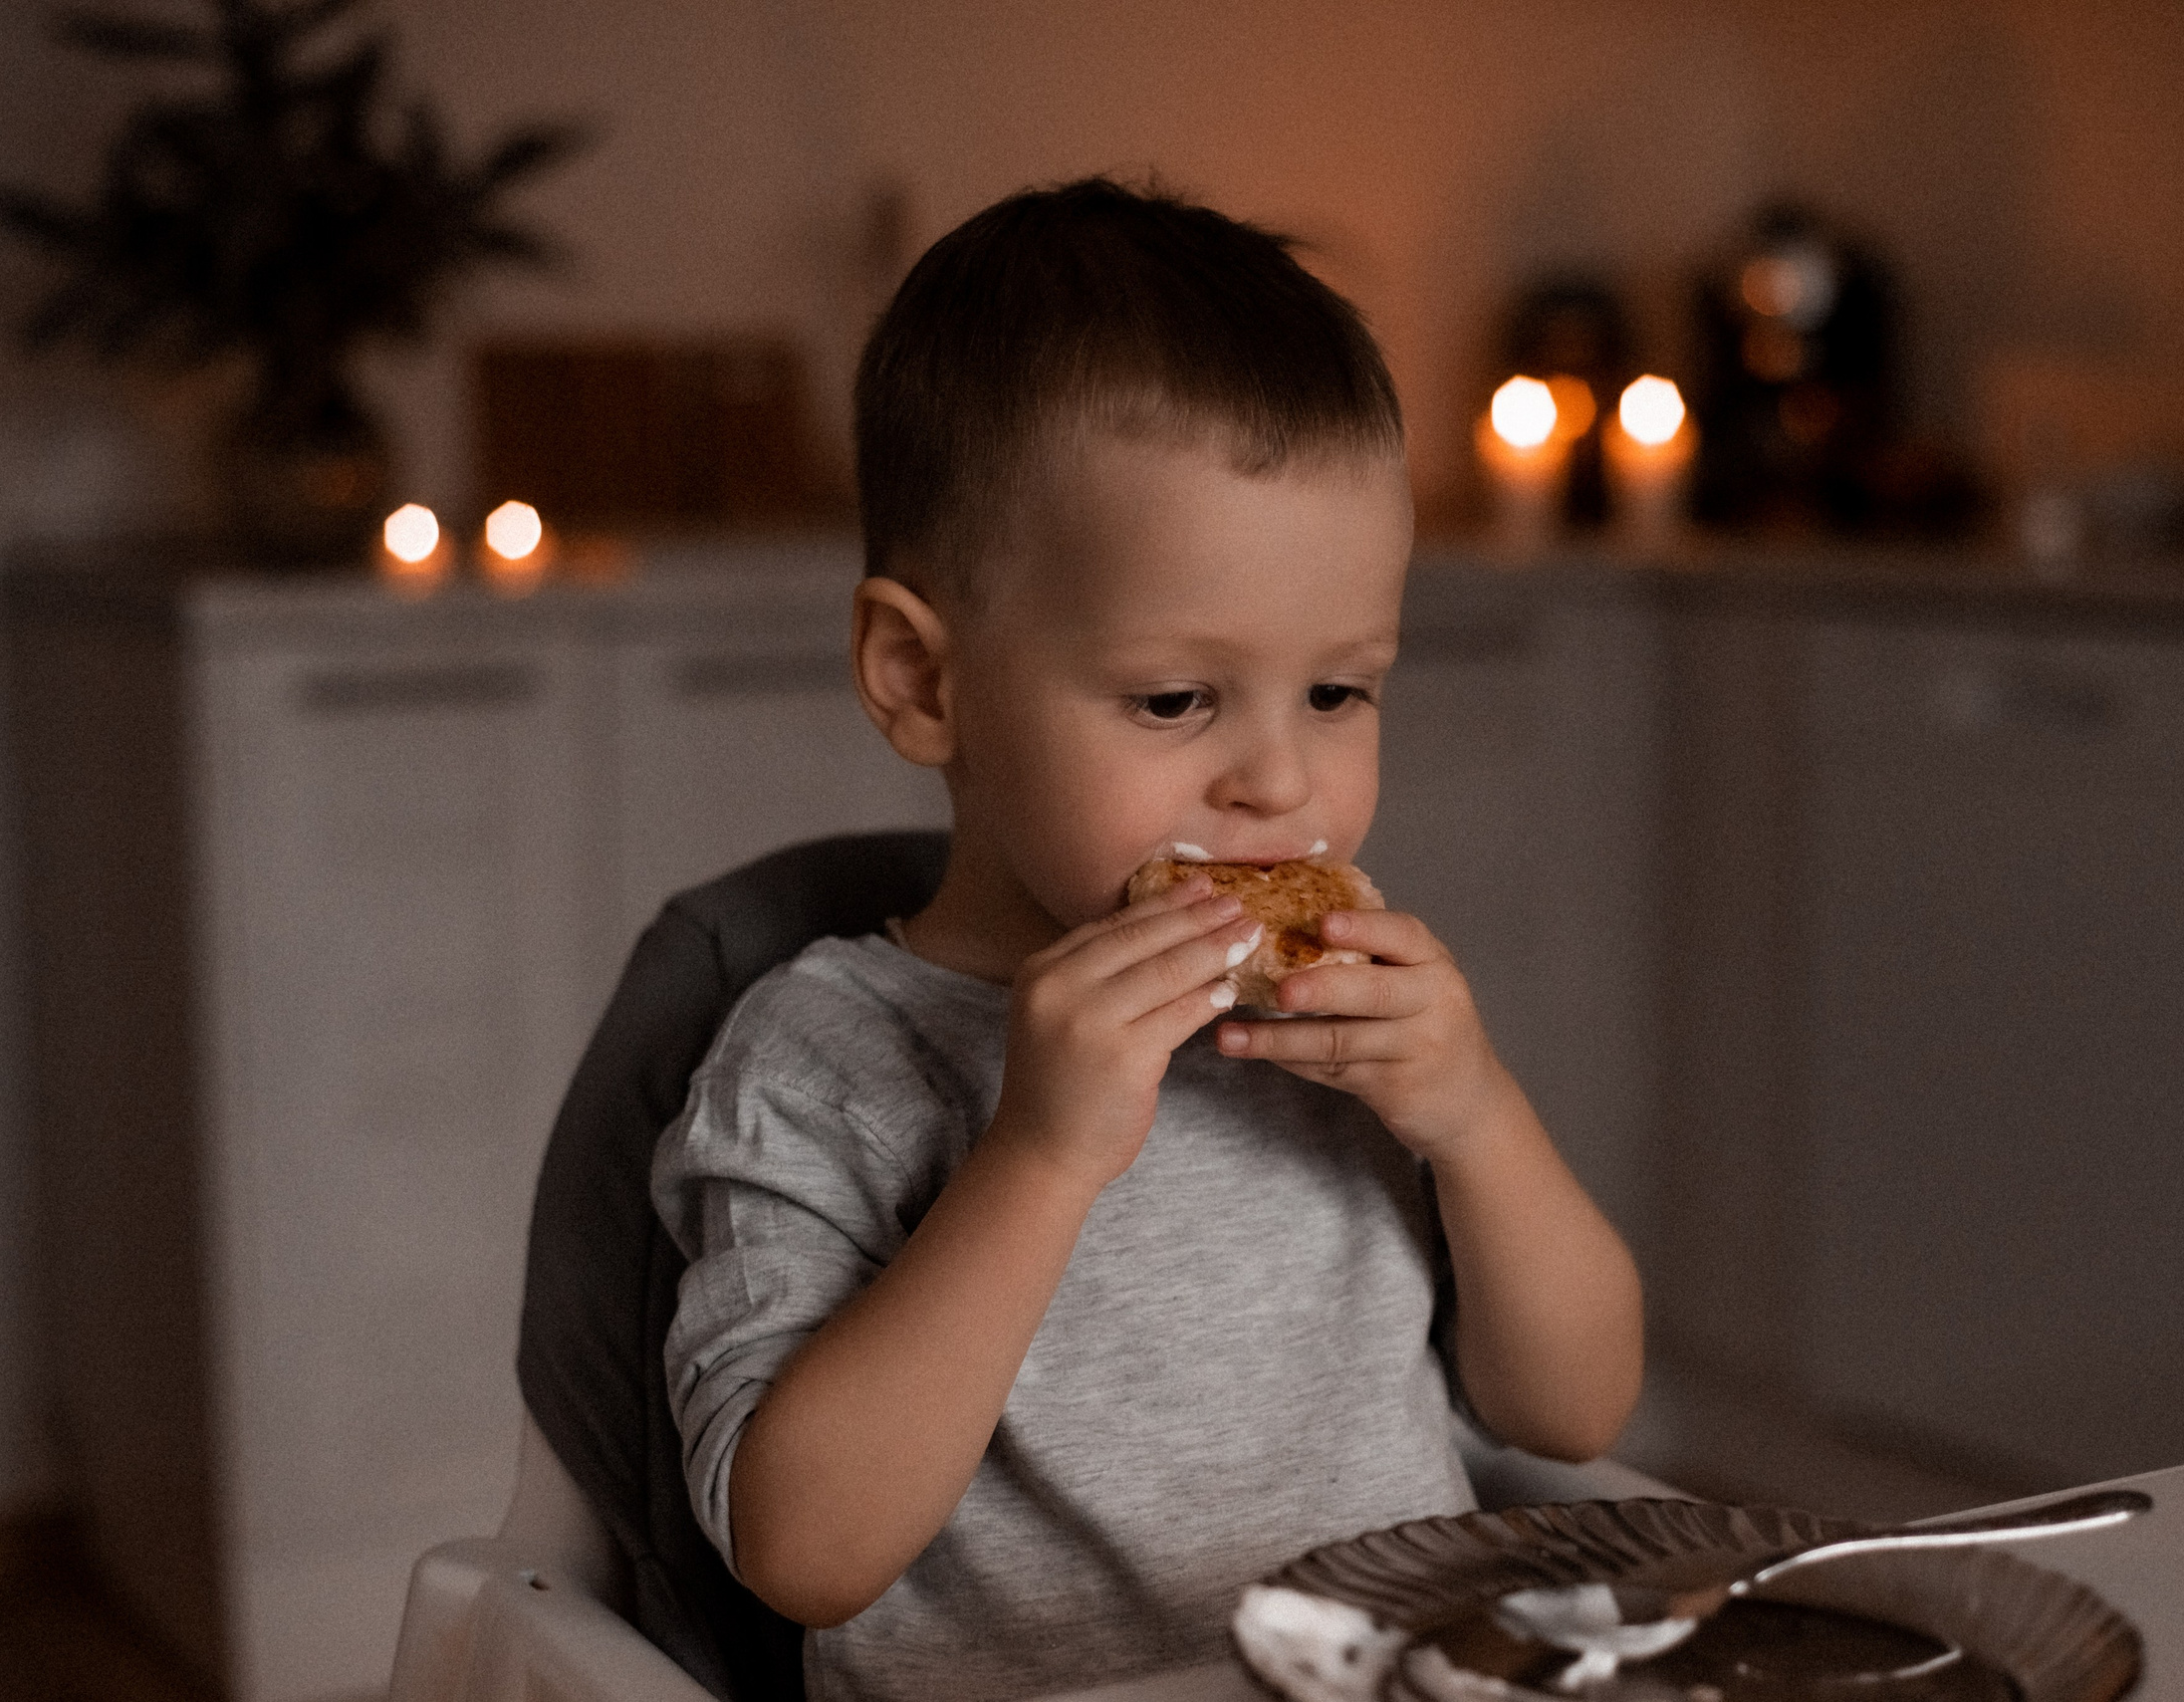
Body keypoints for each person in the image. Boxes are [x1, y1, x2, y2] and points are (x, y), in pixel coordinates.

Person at [653, 177, 1644, 1702]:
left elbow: (1576, 1408)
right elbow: (801, 1546)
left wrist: (1476, 1117)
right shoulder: (825, 1053)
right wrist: (1039, 1156)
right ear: (924, 680)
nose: (1280, 783)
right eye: (1177, 699)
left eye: (1340, 690)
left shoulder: (1353, 1031)